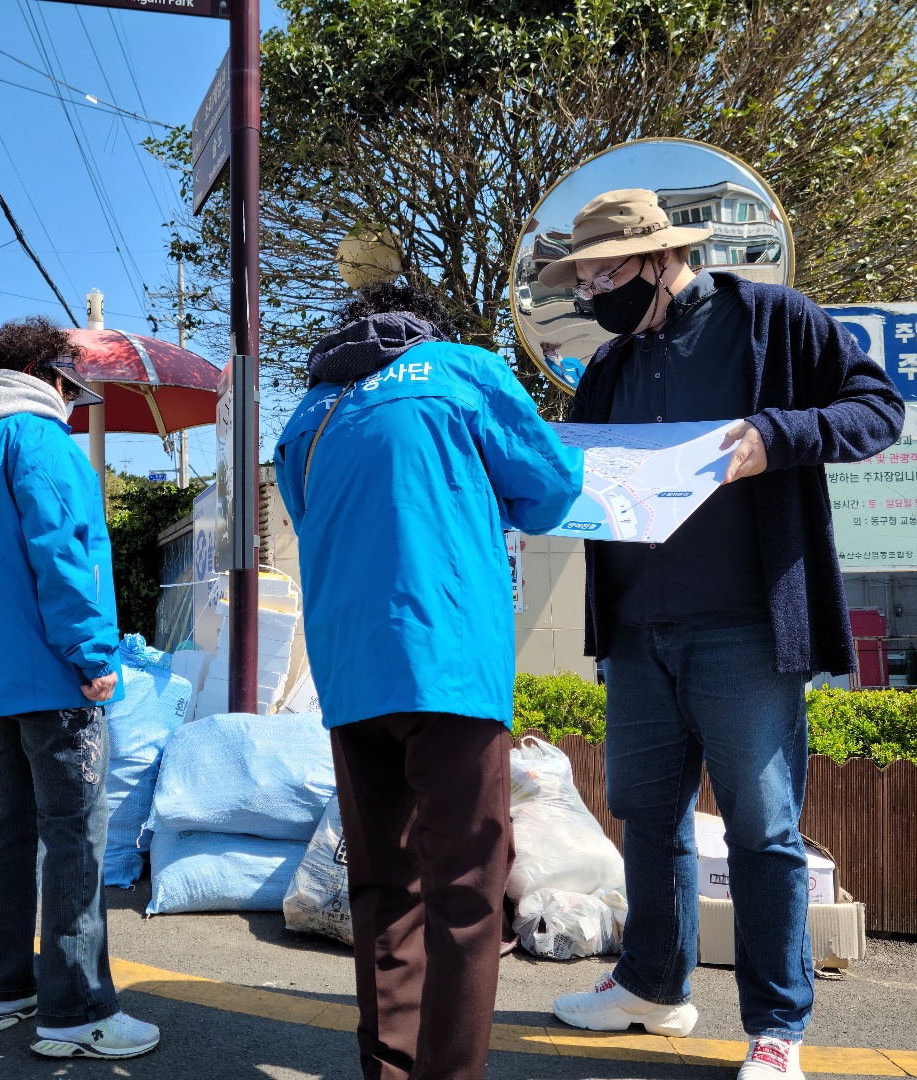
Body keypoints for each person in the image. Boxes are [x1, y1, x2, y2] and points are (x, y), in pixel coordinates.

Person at [538, 190, 904, 1080]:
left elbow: (879, 409)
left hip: (747, 625)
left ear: (664, 257)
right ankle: (651, 987)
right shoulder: (609, 366)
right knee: (645, 815)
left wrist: (777, 435)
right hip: (636, 628)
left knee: (762, 829)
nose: (593, 294)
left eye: (607, 275)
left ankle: (778, 1028)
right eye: (584, 281)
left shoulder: (774, 320)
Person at [274, 282, 583, 1080]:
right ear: (425, 328)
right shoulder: (461, 370)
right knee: (467, 892)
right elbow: (552, 488)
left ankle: (389, 1069)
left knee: (384, 886)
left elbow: (312, 518)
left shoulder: (309, 413)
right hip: (448, 661)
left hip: (351, 671)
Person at [0, 315, 159, 1061]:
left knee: (9, 830)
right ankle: (76, 1009)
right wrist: (93, 655)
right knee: (74, 837)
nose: (71, 400)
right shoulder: (40, 440)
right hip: (55, 670)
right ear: (48, 377)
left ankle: (5, 988)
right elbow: (67, 556)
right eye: (70, 385)